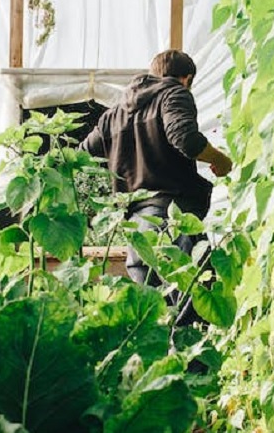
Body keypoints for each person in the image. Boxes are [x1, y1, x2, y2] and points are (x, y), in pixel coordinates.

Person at [81, 50, 232, 326]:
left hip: (136, 231)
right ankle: (195, 370)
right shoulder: (174, 94)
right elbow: (185, 138)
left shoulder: (113, 114)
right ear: (186, 79)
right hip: (171, 221)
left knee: (156, 319)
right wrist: (220, 160)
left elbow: (81, 155)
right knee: (194, 308)